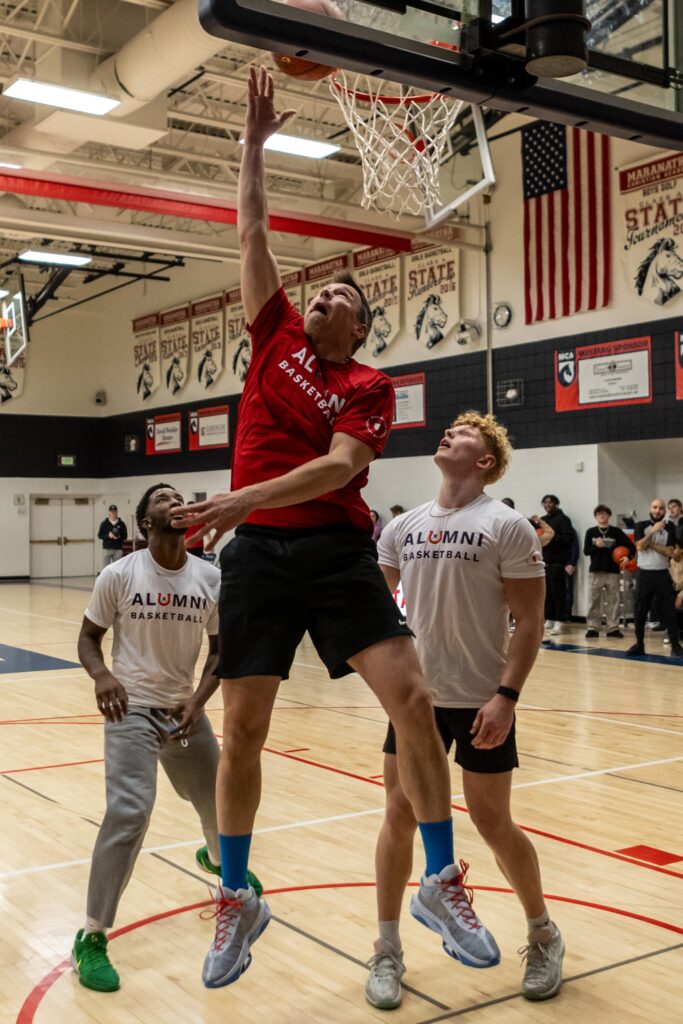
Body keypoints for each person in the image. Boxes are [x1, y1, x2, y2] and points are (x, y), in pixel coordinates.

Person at [172, 67, 480, 990]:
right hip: (262, 555)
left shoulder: (368, 386)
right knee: (245, 729)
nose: (321, 297)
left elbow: (344, 469)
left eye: (340, 294)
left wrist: (237, 500)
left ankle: (440, 878)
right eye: (316, 293)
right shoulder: (271, 336)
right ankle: (237, 897)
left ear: (358, 318)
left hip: (334, 548)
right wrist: (253, 147)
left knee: (414, 703)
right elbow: (253, 230)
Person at [365, 411, 563, 1009]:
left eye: (466, 433)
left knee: (492, 823)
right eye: (448, 429)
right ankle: (388, 949)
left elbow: (530, 621)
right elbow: (381, 609)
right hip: (415, 702)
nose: (450, 433)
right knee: (398, 818)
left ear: (486, 461)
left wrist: (506, 696)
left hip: (481, 701)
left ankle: (543, 934)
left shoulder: (507, 527)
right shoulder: (402, 528)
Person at [71, 483, 261, 993]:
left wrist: (198, 700)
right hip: (130, 708)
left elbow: (221, 652)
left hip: (184, 711)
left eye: (177, 495)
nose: (172, 500)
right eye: (160, 498)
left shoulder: (210, 578)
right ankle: (90, 937)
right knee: (130, 811)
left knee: (219, 804)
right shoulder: (119, 574)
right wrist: (103, 677)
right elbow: (89, 638)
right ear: (144, 523)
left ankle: (223, 869)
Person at [627, 498, 682, 658]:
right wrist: (652, 531)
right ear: (650, 508)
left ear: (664, 511)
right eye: (655, 507)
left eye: (661, 508)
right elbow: (638, 547)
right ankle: (639, 644)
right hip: (644, 573)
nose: (657, 510)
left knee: (670, 611)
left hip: (662, 573)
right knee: (640, 611)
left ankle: (676, 646)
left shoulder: (670, 527)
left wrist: (650, 545)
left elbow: (670, 552)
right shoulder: (640, 526)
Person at [583, 505, 635, 639]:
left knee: (614, 600)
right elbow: (586, 551)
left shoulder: (616, 532)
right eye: (599, 514)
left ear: (609, 515)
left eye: (604, 513)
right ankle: (593, 627)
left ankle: (613, 628)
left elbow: (631, 547)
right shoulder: (591, 532)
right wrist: (596, 546)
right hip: (595, 571)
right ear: (595, 516)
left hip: (613, 571)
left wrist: (627, 558)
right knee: (594, 601)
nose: (602, 516)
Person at [540, 495, 574, 636]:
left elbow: (569, 539)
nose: (548, 504)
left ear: (556, 504)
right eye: (546, 502)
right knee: (546, 593)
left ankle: (560, 620)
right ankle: (549, 618)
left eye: (551, 502)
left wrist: (552, 537)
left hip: (558, 561)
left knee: (558, 593)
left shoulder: (563, 519)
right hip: (544, 561)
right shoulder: (543, 520)